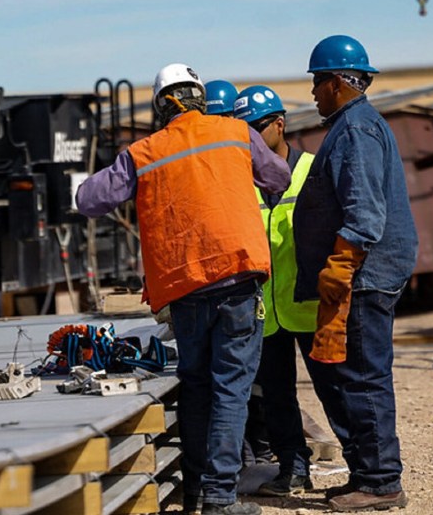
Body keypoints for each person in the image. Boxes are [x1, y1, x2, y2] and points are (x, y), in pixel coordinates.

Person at [76, 63, 290, 515]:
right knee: (230, 388)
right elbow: (278, 178)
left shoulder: (143, 152)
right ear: (199, 97)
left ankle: (195, 490)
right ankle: (219, 498)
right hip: (236, 279)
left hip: (185, 288)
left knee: (196, 385)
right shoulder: (235, 133)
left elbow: (89, 200)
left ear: (161, 107)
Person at [293, 35, 418, 512]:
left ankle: (381, 483)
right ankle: (368, 475)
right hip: (365, 274)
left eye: (317, 82)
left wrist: (341, 263)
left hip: (364, 276)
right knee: (355, 376)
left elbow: (364, 211)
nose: (313, 93)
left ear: (337, 83)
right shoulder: (355, 125)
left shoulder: (355, 131)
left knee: (364, 378)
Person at [234, 85, 338, 497]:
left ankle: (367, 473)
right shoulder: (242, 181)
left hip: (311, 306)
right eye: (242, 131)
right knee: (277, 398)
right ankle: (294, 469)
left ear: (280, 124)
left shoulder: (313, 169)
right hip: (266, 312)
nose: (250, 139)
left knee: (335, 392)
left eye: (257, 128)